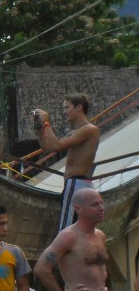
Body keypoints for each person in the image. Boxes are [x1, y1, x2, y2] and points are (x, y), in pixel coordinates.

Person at [32, 94, 100, 230]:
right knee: (77, 230)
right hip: (79, 184)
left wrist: (46, 122)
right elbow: (49, 148)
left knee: (66, 229)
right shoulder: (74, 133)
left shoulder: (89, 129)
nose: (64, 111)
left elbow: (56, 146)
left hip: (76, 183)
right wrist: (39, 128)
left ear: (79, 107)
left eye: (67, 107)